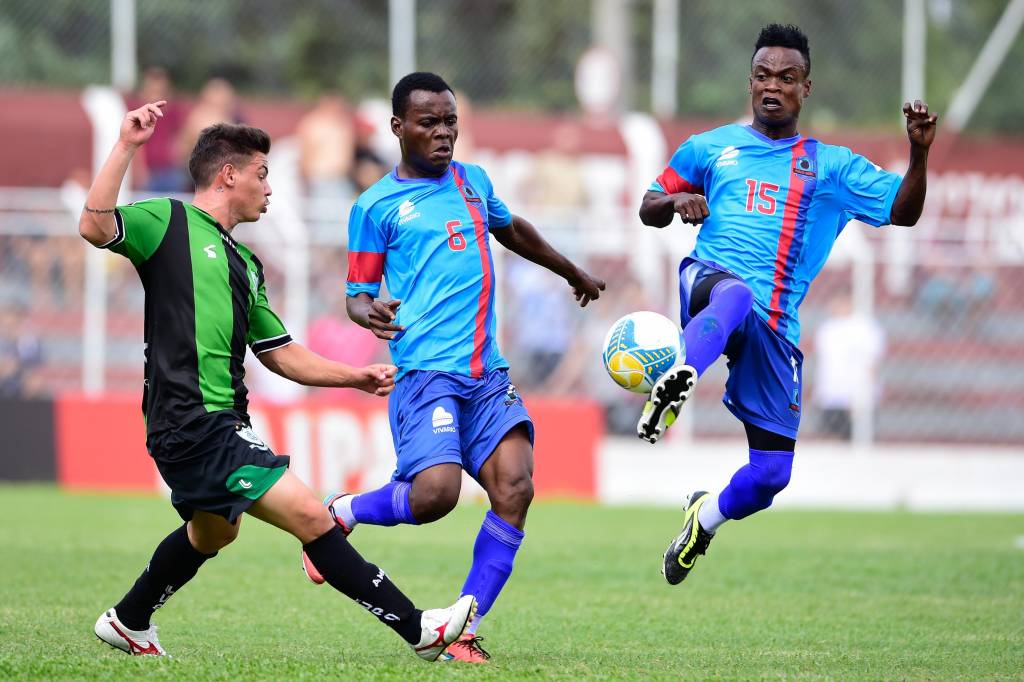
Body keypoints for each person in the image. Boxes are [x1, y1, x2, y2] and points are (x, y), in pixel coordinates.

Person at [77, 100, 476, 661]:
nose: (270, 189)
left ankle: (129, 619)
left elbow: (282, 354)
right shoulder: (166, 221)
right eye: (263, 175)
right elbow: (94, 225)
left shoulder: (247, 264)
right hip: (193, 422)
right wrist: (126, 145)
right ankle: (420, 630)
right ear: (228, 175)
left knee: (214, 534)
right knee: (313, 515)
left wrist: (354, 376)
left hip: (218, 422)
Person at [300, 72, 605, 663]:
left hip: (486, 375)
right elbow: (356, 293)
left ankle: (462, 629)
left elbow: (510, 229)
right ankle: (342, 512)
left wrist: (570, 270)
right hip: (426, 374)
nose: (443, 134)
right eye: (428, 123)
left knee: (515, 488)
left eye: (450, 123)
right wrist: (371, 313)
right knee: (435, 496)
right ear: (398, 128)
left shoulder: (473, 182)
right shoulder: (375, 206)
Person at [635, 24, 937, 584]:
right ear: (749, 82)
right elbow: (648, 205)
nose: (772, 86)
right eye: (763, 76)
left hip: (775, 326)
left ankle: (705, 518)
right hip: (710, 286)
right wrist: (676, 199)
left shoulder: (832, 166)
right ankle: (681, 378)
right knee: (736, 294)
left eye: (786, 78)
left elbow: (904, 210)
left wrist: (918, 156)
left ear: (806, 88)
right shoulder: (710, 147)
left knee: (771, 475)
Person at [812, 294, 885, 440]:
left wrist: (865, 396)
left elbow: (872, 364)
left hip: (855, 396)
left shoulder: (865, 327)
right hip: (831, 395)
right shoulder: (827, 328)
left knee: (856, 440)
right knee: (830, 439)